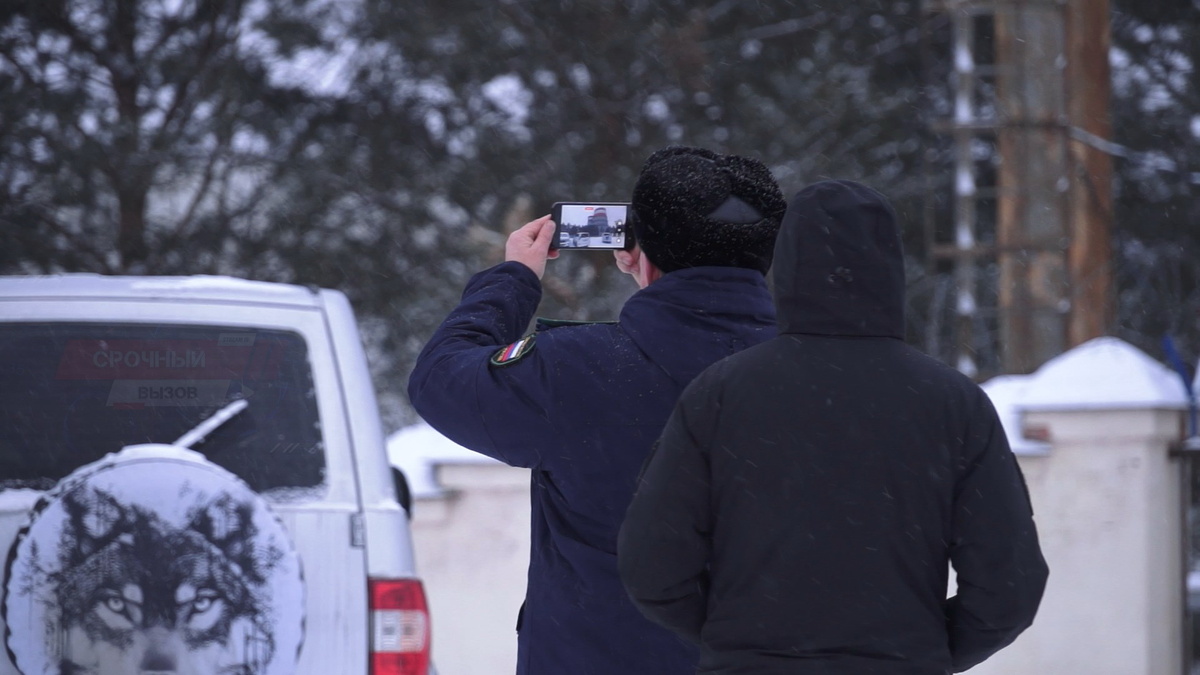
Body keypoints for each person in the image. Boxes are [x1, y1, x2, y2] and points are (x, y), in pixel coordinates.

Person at [618, 180, 1049, 674]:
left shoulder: (720, 393)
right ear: (890, 267)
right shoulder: (953, 403)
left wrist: (737, 642)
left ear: (790, 264)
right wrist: (922, 651)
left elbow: (652, 568)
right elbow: (1008, 587)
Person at [407, 146, 788, 675]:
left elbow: (439, 380)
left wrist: (514, 278)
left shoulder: (579, 372)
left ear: (635, 251)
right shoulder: (835, 383)